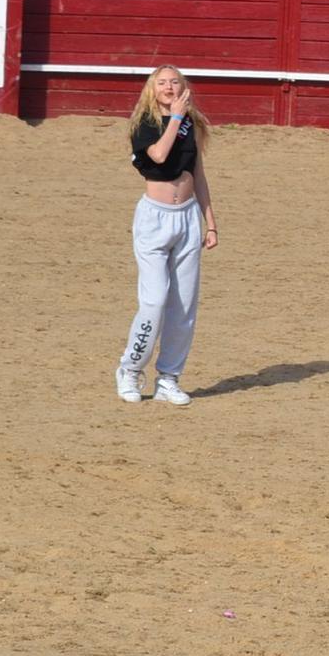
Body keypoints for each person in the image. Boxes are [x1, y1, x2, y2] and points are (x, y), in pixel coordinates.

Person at [115, 66, 217, 407]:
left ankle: (169, 379)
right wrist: (175, 118)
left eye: (175, 82)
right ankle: (130, 368)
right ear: (152, 89)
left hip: (187, 217)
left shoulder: (192, 124)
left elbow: (198, 174)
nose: (170, 87)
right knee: (155, 300)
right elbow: (158, 155)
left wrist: (210, 222)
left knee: (184, 305)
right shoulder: (145, 123)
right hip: (154, 220)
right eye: (163, 82)